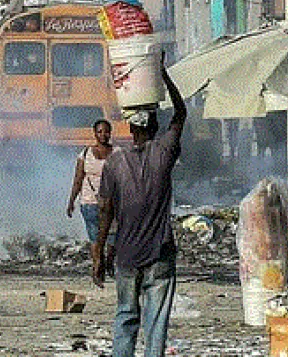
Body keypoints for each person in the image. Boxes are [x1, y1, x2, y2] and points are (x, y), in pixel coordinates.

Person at [92, 65, 187, 357]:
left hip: (127, 256)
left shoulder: (115, 164)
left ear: (131, 129)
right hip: (159, 254)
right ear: (154, 128)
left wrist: (101, 253)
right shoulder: (165, 152)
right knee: (156, 323)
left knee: (125, 316)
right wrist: (162, 75)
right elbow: (180, 114)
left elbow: (105, 211)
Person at [67, 119, 115, 243]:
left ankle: (105, 262)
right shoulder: (85, 154)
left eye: (106, 132)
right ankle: (98, 262)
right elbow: (78, 179)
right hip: (90, 203)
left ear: (110, 133)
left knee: (111, 241)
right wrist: (71, 201)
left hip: (112, 204)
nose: (103, 135)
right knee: (97, 241)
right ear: (94, 133)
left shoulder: (118, 153)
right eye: (99, 132)